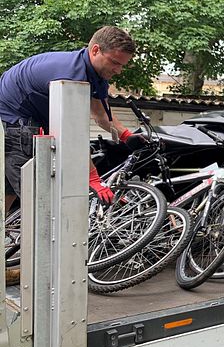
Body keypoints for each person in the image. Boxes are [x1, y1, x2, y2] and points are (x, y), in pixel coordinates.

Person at [1, 26, 141, 285]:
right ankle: (42, 281)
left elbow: (100, 115)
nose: (118, 70)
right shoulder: (72, 75)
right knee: (42, 206)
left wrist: (125, 135)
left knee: (5, 201)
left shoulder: (94, 72)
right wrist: (93, 177)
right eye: (114, 63)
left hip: (19, 122)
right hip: (15, 125)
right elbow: (72, 133)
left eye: (122, 66)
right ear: (96, 50)